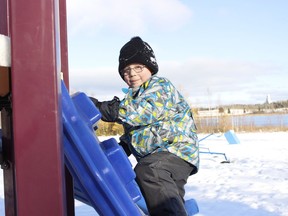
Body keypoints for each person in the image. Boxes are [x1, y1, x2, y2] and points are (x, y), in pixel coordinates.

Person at [90, 36, 199, 216]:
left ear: (150, 67)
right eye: (126, 71)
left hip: (176, 150)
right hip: (159, 158)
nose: (132, 74)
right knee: (165, 199)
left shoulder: (159, 86)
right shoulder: (132, 98)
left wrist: (103, 108)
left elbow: (141, 111)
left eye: (138, 67)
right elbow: (133, 131)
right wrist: (122, 149)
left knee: (149, 172)